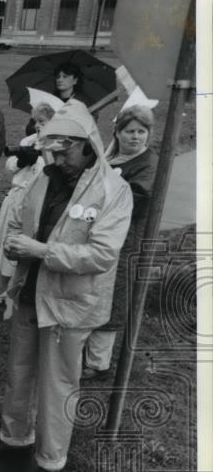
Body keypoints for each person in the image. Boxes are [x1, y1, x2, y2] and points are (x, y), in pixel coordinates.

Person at [0, 100, 133, 472]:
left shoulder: (113, 190)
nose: (57, 158)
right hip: (30, 292)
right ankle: (15, 439)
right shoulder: (44, 177)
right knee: (20, 372)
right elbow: (20, 217)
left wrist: (40, 250)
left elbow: (101, 255)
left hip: (71, 302)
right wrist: (14, 243)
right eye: (52, 150)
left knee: (58, 382)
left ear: (88, 145)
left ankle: (51, 460)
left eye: (65, 150)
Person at [82, 104, 159, 378]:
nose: (135, 137)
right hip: (102, 235)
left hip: (125, 239)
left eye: (141, 131)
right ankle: (86, 352)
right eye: (129, 131)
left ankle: (98, 363)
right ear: (118, 132)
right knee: (95, 289)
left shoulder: (147, 164)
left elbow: (138, 200)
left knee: (113, 296)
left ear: (148, 134)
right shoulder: (113, 157)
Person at [0, 94, 61, 302]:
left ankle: (18, 288)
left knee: (25, 246)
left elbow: (51, 173)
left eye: (42, 122)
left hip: (36, 202)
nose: (37, 125)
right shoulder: (29, 141)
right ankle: (0, 286)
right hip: (17, 197)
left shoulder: (57, 145)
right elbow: (9, 165)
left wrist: (42, 157)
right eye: (35, 121)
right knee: (7, 245)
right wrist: (22, 160)